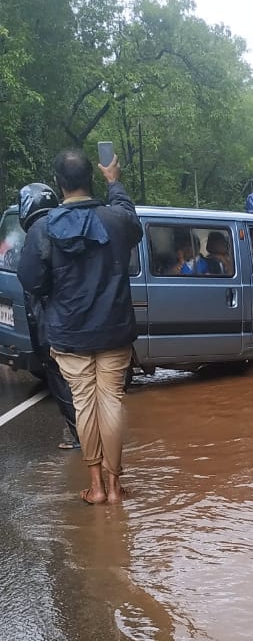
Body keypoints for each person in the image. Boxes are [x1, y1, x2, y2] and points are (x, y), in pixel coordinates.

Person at [17, 148, 143, 505]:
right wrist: (115, 182)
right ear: (93, 178)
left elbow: (31, 281)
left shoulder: (42, 228)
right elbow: (133, 222)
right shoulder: (116, 220)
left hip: (69, 335)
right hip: (114, 331)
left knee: (84, 405)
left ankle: (97, 487)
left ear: (59, 185)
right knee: (112, 402)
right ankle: (117, 487)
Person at [17, 182, 80, 450]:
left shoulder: (37, 231)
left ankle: (80, 437)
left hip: (52, 326)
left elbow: (29, 278)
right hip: (78, 320)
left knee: (62, 382)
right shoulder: (68, 225)